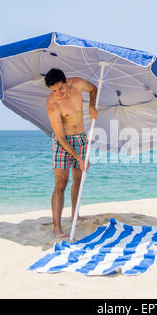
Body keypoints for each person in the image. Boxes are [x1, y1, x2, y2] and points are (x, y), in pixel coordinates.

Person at [44, 68, 98, 239]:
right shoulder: (53, 104)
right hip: (63, 143)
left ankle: (75, 215)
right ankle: (57, 228)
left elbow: (94, 89)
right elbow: (60, 137)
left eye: (60, 88)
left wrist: (91, 105)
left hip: (81, 138)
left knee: (78, 179)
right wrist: (79, 158)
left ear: (66, 81)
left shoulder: (77, 84)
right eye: (54, 91)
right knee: (61, 183)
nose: (58, 93)